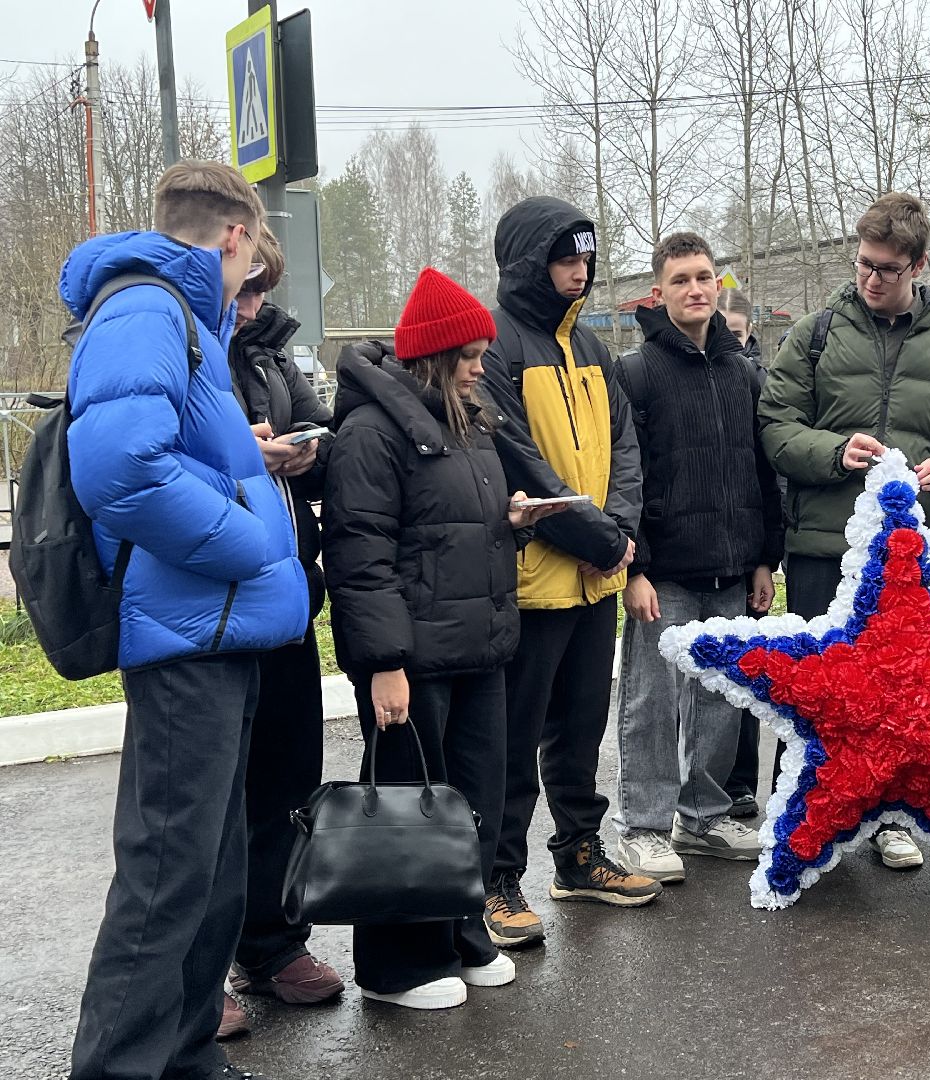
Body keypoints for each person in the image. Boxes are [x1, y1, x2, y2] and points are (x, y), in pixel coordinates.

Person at [63, 160, 309, 1080]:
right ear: (236, 236)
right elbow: (123, 473)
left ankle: (183, 1052)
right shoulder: (146, 308)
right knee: (168, 875)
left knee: (211, 869)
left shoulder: (179, 316)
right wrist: (253, 544)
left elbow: (163, 453)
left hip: (216, 632)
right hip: (187, 638)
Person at [323, 267, 561, 1009]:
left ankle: (462, 937)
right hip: (415, 664)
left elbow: (451, 533)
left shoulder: (468, 426)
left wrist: (512, 526)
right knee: (407, 813)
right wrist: (384, 665)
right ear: (434, 353)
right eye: (469, 353)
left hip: (480, 651)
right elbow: (361, 556)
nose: (480, 366)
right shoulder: (369, 434)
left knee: (471, 805)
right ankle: (398, 967)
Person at [758, 191, 930, 871]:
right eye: (864, 263)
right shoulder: (814, 334)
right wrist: (833, 451)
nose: (871, 278)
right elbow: (776, 427)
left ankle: (891, 820)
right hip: (826, 551)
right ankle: (803, 822)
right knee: (816, 698)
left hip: (916, 558)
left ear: (918, 265)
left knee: (906, 703)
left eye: (888, 269)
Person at [480, 197, 660, 949]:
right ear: (529, 262)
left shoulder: (589, 345)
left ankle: (578, 857)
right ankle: (496, 878)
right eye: (565, 258)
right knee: (513, 740)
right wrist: (593, 534)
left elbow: (625, 447)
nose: (579, 271)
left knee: (581, 732)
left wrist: (615, 534)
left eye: (585, 258)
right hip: (535, 580)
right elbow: (517, 458)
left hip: (595, 579)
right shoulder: (497, 349)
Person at [611, 234, 783, 882]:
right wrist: (636, 568)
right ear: (660, 293)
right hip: (665, 575)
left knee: (721, 702)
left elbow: (763, 473)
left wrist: (766, 558)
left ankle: (704, 817)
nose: (695, 288)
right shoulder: (637, 373)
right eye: (681, 279)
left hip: (732, 569)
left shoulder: (742, 372)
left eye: (704, 276)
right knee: (651, 704)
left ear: (719, 286)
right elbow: (625, 476)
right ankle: (644, 827)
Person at [219, 225, 343, 1039]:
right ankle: (203, 963)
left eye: (266, 288)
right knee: (213, 796)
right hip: (216, 612)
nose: (257, 304)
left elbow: (326, 432)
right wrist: (244, 460)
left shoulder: (270, 355)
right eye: (247, 286)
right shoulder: (185, 349)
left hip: (289, 601)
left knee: (287, 780)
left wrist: (309, 451)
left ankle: (270, 943)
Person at [715, 286, 768, 820]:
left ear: (747, 331)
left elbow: (764, 474)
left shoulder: (757, 381)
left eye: (733, 331)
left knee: (744, 676)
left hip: (745, 548)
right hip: (701, 550)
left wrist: (763, 558)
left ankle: (740, 782)